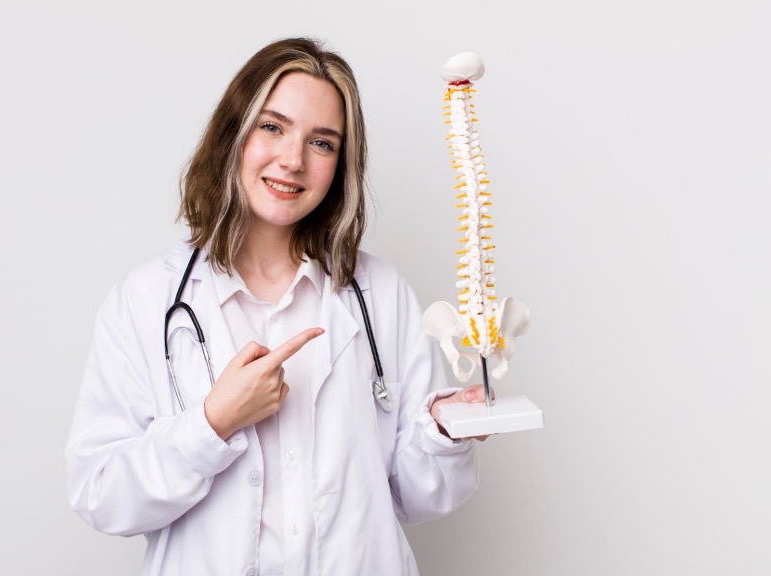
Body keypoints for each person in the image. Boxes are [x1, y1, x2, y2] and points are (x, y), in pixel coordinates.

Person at [65, 37, 492, 576]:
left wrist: (440, 432)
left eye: (322, 143)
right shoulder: (146, 300)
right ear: (233, 136)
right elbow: (101, 492)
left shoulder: (381, 294)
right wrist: (213, 422)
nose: (292, 161)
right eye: (272, 127)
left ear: (340, 165)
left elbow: (415, 498)